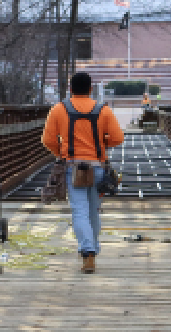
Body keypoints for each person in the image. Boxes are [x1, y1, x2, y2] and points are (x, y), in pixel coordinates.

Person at [41, 72, 125, 273]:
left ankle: (87, 252)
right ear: (90, 89)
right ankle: (91, 249)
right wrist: (101, 145)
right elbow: (118, 137)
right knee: (94, 211)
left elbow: (48, 140)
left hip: (72, 167)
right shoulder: (102, 110)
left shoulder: (59, 109)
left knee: (79, 210)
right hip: (97, 166)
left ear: (70, 89)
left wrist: (60, 152)